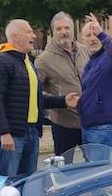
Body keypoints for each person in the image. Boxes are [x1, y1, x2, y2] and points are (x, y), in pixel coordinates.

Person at [0, 19, 76, 176]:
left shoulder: (28, 62)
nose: (33, 36)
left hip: (32, 133)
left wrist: (63, 101)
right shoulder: (0, 62)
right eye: (28, 32)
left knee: (28, 184)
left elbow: (34, 98)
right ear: (15, 37)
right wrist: (4, 133)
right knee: (10, 183)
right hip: (13, 136)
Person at [35, 11, 89, 155]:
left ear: (73, 29)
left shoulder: (85, 51)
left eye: (66, 28)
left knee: (95, 168)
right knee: (64, 170)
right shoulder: (43, 60)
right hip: (63, 125)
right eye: (59, 29)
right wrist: (62, 101)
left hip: (89, 122)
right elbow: (34, 93)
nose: (63, 32)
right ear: (53, 32)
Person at [78, 13, 112, 152]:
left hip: (104, 126)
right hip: (88, 125)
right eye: (88, 35)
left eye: (96, 34)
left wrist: (102, 34)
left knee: (98, 170)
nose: (93, 39)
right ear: (82, 40)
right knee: (93, 169)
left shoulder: (110, 57)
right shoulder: (90, 62)